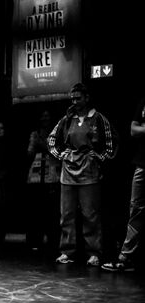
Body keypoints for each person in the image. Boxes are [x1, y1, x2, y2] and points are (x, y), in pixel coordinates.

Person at [48, 82, 118, 266]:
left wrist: (101, 157)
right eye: (72, 98)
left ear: (87, 98)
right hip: (68, 169)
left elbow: (111, 142)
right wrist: (59, 154)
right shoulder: (67, 118)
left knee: (90, 214)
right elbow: (52, 139)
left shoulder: (98, 118)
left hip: (88, 169)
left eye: (78, 98)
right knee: (67, 214)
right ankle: (66, 251)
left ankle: (94, 252)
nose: (75, 101)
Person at [101, 99, 145, 272]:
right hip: (142, 163)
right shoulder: (143, 101)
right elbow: (133, 130)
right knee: (136, 209)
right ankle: (125, 257)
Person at [25, 110, 61, 254]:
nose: (45, 118)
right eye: (42, 115)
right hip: (35, 176)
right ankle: (35, 241)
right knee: (36, 211)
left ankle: (53, 242)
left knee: (52, 212)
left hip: (52, 176)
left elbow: (57, 152)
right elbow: (29, 153)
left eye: (47, 115)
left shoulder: (58, 133)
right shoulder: (35, 134)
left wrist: (43, 145)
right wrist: (34, 144)